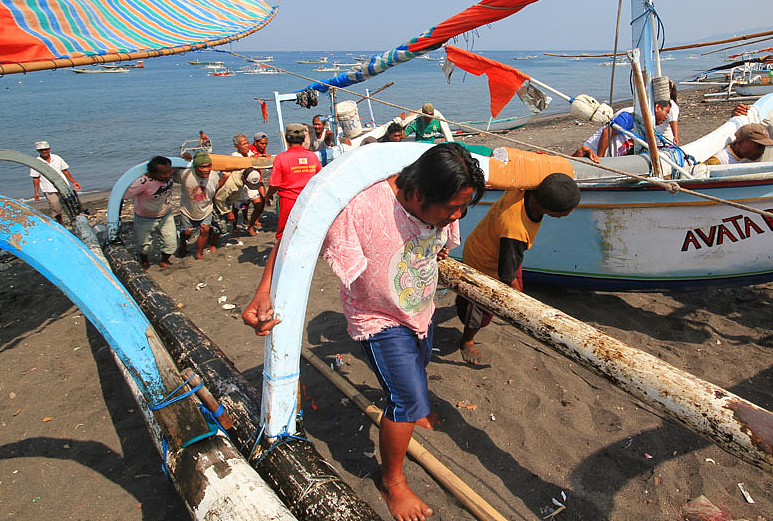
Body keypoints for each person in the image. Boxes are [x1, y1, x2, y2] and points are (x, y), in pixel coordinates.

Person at [242, 143, 485, 521]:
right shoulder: (359, 206)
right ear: (418, 193)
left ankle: (411, 410)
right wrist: (262, 293)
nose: (457, 216)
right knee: (404, 400)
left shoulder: (443, 201)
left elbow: (434, 239)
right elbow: (293, 238)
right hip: (377, 318)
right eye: (452, 208)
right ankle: (393, 482)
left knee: (415, 380)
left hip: (419, 310)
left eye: (461, 208)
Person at [457, 173, 580, 366]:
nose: (570, 213)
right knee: (480, 312)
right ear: (551, 212)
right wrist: (521, 303)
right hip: (484, 264)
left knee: (517, 287)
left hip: (499, 248)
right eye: (567, 211)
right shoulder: (515, 230)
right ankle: (467, 340)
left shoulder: (524, 186)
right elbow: (506, 276)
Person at [265, 124, 322, 239]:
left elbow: (274, 184)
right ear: (303, 139)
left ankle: (281, 257)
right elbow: (319, 180)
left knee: (285, 235)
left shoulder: (281, 158)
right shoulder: (312, 157)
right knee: (307, 233)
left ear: (286, 138)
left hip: (288, 201)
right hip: (308, 201)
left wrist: (268, 195)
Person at [572, 100, 671, 163]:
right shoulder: (633, 116)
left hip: (613, 159)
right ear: (657, 107)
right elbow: (607, 131)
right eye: (666, 112)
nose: (666, 117)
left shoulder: (649, 126)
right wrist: (600, 159)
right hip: (592, 153)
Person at [123, 156, 176, 269]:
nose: (168, 175)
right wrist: (137, 172)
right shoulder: (143, 182)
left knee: (171, 244)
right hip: (145, 217)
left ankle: (164, 259)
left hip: (165, 215)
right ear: (152, 173)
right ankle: (145, 261)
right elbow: (124, 195)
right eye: (163, 173)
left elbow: (184, 165)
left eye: (169, 171)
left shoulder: (169, 172)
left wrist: (185, 159)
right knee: (144, 246)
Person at [177, 151, 222, 259]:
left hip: (206, 208)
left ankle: (199, 253)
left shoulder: (214, 176)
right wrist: (182, 161)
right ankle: (183, 245)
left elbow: (216, 188)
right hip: (187, 209)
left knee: (205, 229)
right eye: (202, 167)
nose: (206, 170)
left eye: (208, 166)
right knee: (187, 232)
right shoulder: (184, 174)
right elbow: (167, 173)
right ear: (196, 167)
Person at [29, 141, 81, 224]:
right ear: (38, 151)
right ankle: (60, 223)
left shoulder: (57, 158)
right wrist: (36, 192)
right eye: (42, 150)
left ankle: (75, 221)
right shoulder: (36, 162)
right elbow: (36, 178)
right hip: (49, 189)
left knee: (71, 204)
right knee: (55, 208)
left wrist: (74, 182)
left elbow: (65, 170)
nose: (44, 151)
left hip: (63, 186)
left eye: (46, 149)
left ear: (49, 149)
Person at [231, 132, 268, 235]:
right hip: (240, 186)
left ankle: (250, 226)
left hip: (251, 186)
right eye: (243, 144)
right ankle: (234, 227)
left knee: (259, 205)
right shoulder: (235, 156)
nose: (246, 145)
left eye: (247, 143)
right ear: (236, 147)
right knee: (237, 208)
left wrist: (264, 156)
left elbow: (256, 157)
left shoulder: (249, 153)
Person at [704, 123, 773, 165]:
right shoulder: (718, 161)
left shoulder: (738, 159)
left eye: (763, 147)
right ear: (740, 141)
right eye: (758, 146)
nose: (761, 151)